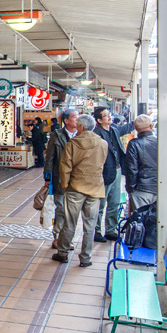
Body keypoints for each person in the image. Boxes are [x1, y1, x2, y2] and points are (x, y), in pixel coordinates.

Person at [52, 113, 108, 267]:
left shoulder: (73, 144)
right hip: (95, 187)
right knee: (90, 224)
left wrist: (65, 185)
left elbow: (65, 167)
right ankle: (85, 258)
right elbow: (102, 163)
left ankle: (62, 252)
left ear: (81, 127)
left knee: (70, 221)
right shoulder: (102, 143)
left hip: (76, 186)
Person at [92, 107, 127, 243]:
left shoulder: (113, 130)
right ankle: (97, 231)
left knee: (115, 201)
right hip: (104, 172)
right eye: (106, 116)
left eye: (109, 114)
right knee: (100, 203)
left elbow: (126, 129)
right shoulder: (97, 134)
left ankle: (110, 230)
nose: (109, 117)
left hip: (117, 170)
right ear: (99, 120)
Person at [44, 108, 78, 245]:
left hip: (77, 179)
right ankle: (58, 237)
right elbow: (50, 158)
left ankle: (67, 238)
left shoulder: (82, 135)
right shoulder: (57, 135)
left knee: (73, 212)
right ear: (66, 121)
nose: (77, 119)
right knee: (61, 209)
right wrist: (47, 178)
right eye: (75, 117)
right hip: (60, 178)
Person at [124, 114, 158, 210]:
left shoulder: (134, 144)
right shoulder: (160, 141)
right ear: (151, 126)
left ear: (135, 128)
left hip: (141, 189)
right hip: (160, 186)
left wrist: (130, 188)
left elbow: (131, 168)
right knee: (159, 221)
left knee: (141, 220)